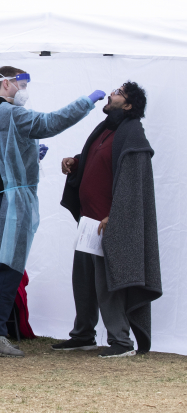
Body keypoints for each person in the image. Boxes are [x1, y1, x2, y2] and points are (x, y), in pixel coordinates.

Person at [0, 66, 104, 357]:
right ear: (5, 84)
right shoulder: (8, 113)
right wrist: (85, 103)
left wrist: (31, 154)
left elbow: (1, 155)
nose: (24, 90)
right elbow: (49, 123)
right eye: (20, 84)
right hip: (7, 199)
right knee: (7, 265)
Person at [52, 82, 161, 358]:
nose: (112, 94)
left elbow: (132, 184)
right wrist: (75, 162)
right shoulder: (106, 129)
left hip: (108, 224)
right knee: (83, 282)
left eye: (119, 93)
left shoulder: (133, 134)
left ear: (128, 105)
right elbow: (98, 161)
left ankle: (121, 341)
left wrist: (116, 217)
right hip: (88, 222)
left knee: (107, 284)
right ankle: (83, 335)